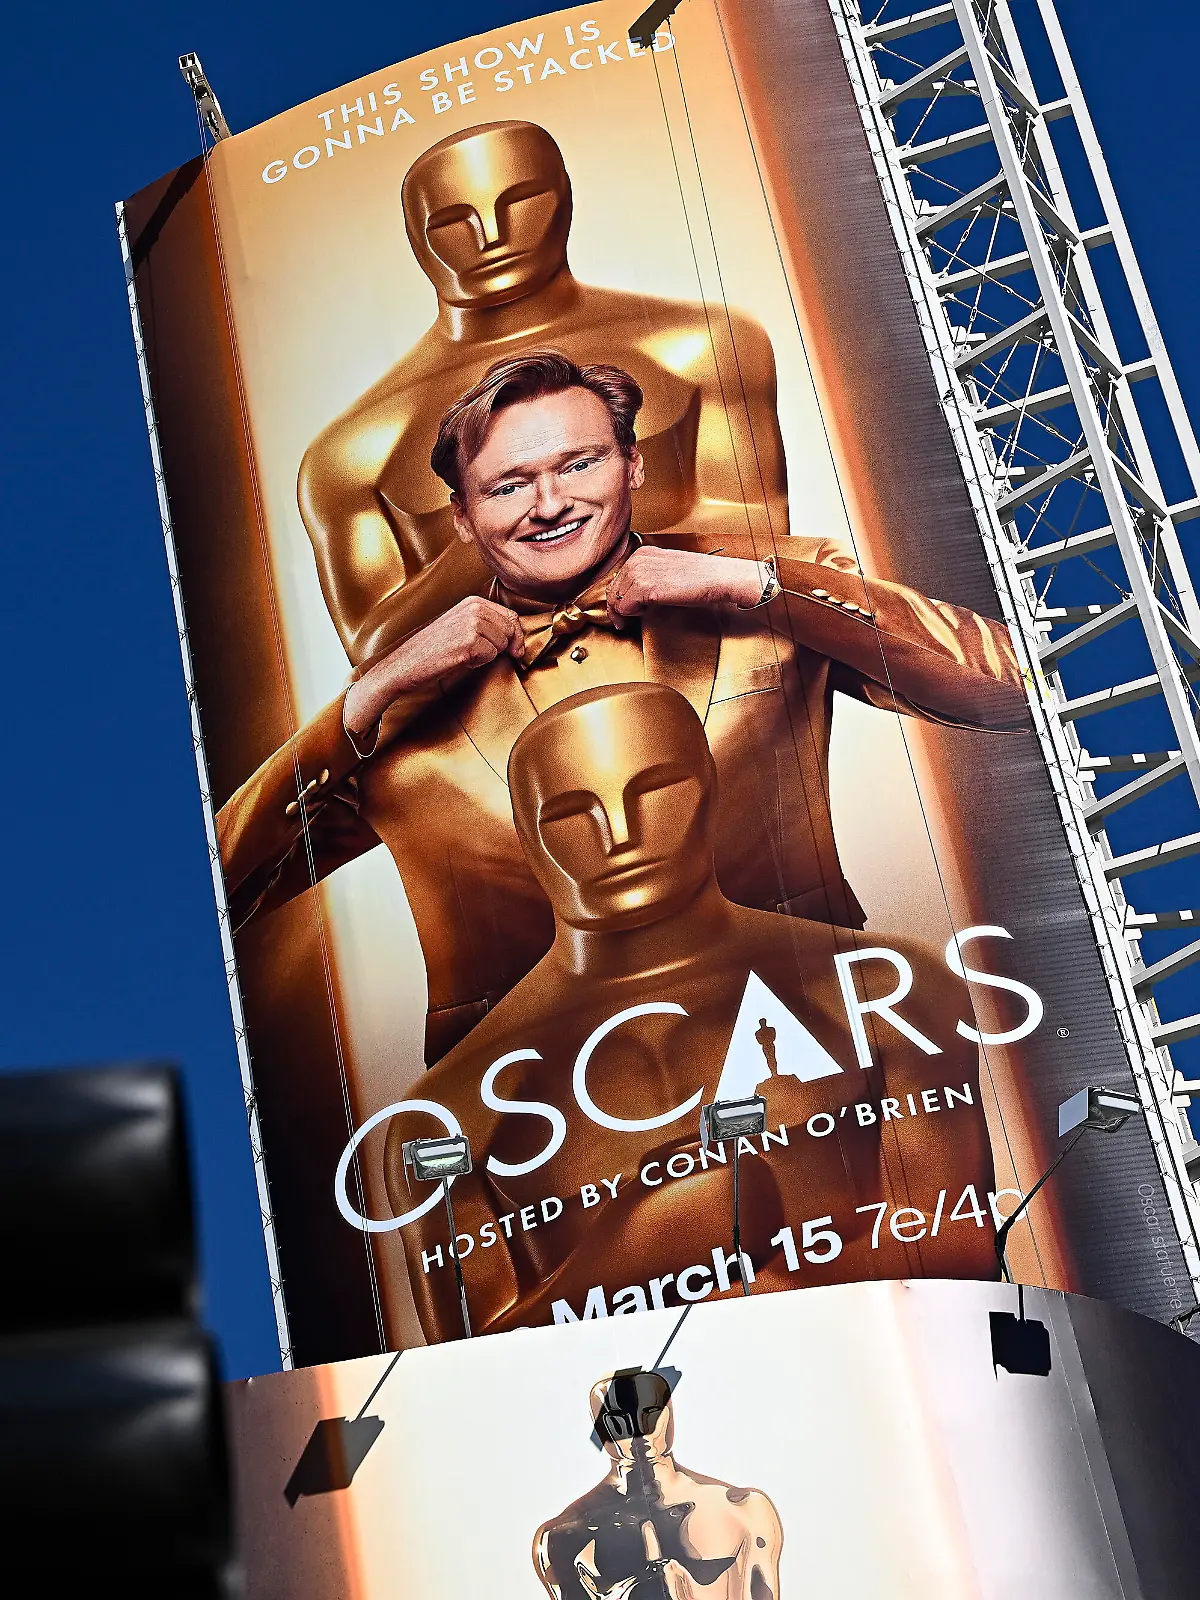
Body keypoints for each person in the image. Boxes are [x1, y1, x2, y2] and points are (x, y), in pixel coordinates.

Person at [218, 350, 1026, 1062]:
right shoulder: (396, 710)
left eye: (579, 464)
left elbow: (1011, 689)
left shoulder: (777, 586)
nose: (550, 503)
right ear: (463, 517)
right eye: (509, 485)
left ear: (632, 464)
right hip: (545, 1122)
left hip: (813, 1049)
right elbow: (220, 894)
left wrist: (756, 589)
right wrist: (367, 697)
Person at [382, 681, 998, 1343]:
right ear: (526, 842)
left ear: (710, 791)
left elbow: (962, 1251)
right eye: (569, 812)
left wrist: (745, 1294)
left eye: (655, 788)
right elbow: (471, 1381)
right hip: (624, 1438)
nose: (620, 835)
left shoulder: (888, 992)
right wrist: (635, 1254)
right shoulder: (447, 1116)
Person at [296, 119, 789, 667]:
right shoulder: (351, 451)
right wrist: (490, 538)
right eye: (453, 223)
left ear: (566, 197)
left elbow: (763, 540)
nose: (491, 236)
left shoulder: (703, 346)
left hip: (715, 685)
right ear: (416, 239)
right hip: (486, 734)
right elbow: (371, 657)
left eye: (522, 200)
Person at [533, 1371, 783, 1600]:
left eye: (650, 1413)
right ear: (600, 1428)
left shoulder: (742, 1511)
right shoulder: (562, 1540)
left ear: (669, 1413)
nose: (637, 1432)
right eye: (618, 1421)